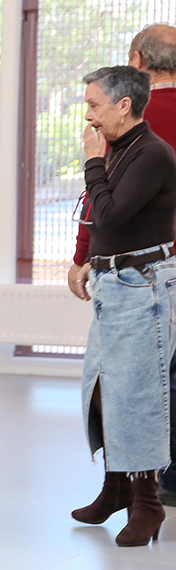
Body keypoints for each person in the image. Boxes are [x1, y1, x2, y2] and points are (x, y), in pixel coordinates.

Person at [67, 25, 176, 505]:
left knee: (139, 389)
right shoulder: (125, 140)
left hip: (147, 277)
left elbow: (105, 209)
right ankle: (125, 486)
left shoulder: (144, 147)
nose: (89, 116)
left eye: (93, 105)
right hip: (129, 273)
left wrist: (81, 254)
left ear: (137, 63)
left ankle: (145, 496)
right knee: (118, 381)